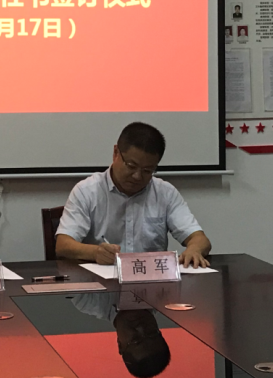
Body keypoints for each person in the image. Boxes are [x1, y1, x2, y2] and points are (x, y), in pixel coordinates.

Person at [55, 122, 211, 268]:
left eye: (147, 171)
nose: (137, 176)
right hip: (101, 281)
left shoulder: (165, 193)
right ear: (116, 153)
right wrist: (95, 253)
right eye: (131, 166)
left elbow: (200, 239)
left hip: (152, 281)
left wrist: (194, 250)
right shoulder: (87, 191)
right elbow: (63, 245)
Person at [72, 292, 171, 378]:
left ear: (120, 345)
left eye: (135, 339)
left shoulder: (86, 300)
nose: (140, 328)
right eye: (151, 333)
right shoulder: (166, 291)